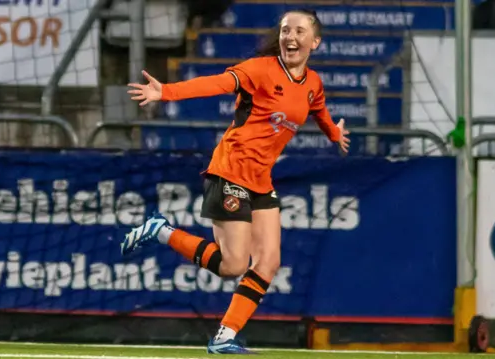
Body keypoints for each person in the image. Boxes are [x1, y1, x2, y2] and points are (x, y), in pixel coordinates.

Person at [122, 8, 350, 354]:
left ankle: (225, 336)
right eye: (286, 30)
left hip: (260, 179)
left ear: (314, 42)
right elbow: (215, 83)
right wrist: (165, 92)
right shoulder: (259, 69)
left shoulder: (313, 84)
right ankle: (161, 230)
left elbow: (317, 109)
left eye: (300, 32)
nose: (290, 37)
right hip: (230, 170)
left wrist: (334, 133)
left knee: (269, 263)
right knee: (233, 266)